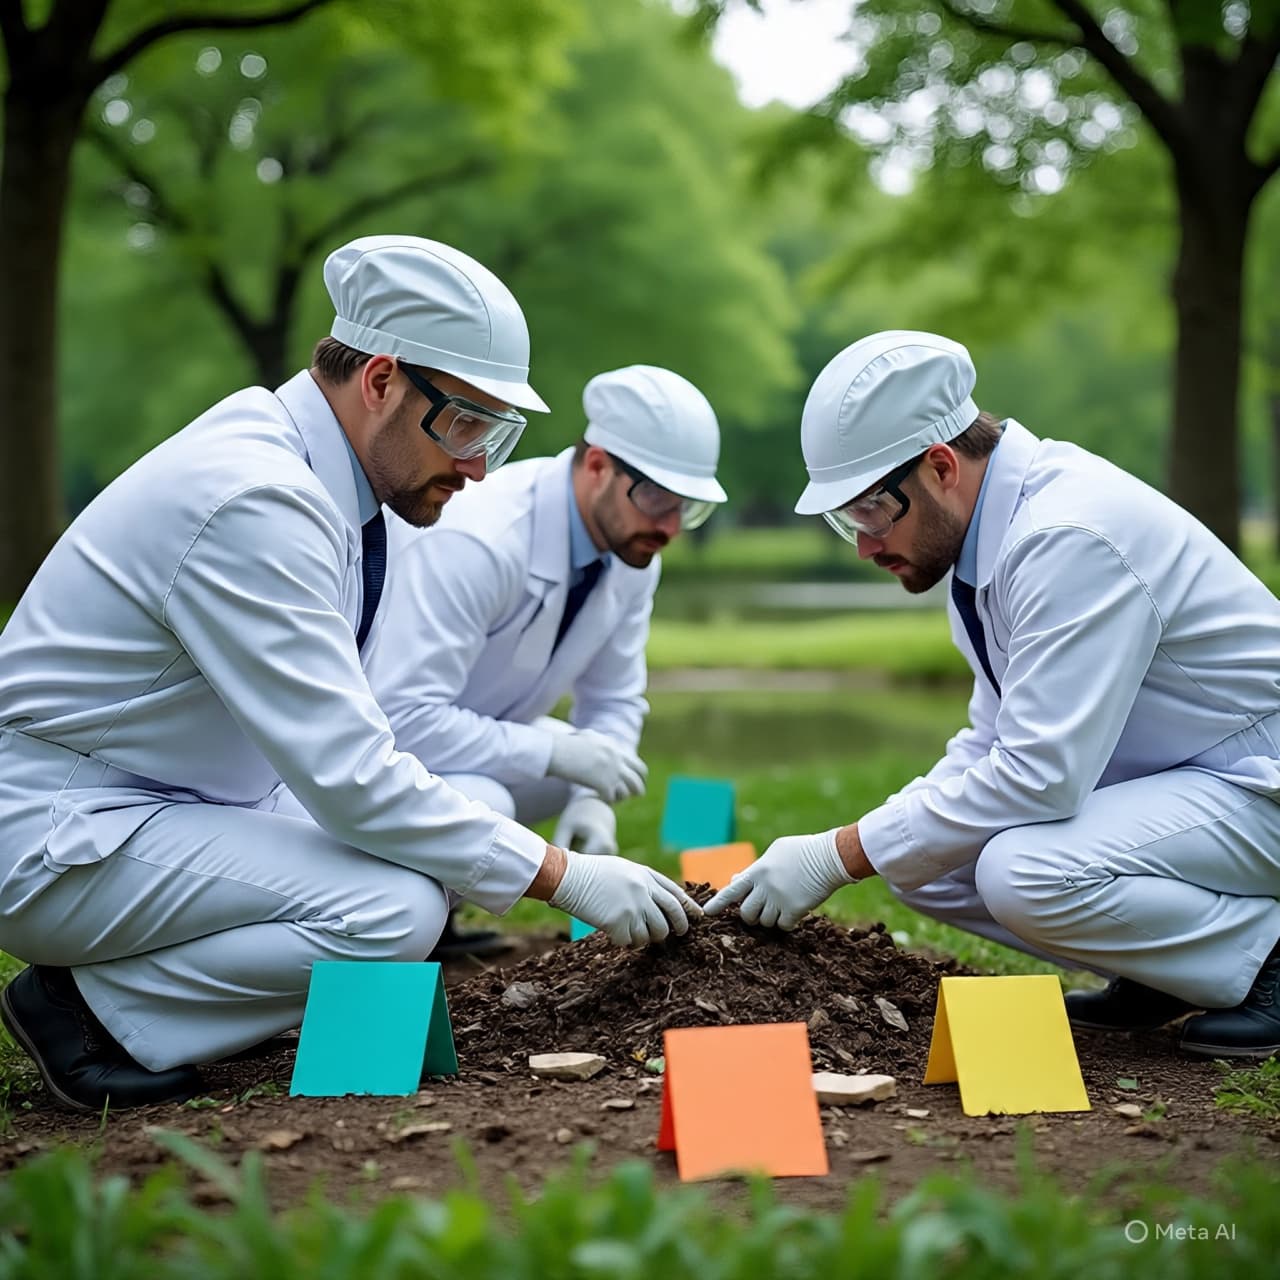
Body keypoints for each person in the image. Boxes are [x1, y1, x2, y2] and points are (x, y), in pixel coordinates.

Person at [0, 235, 700, 1113]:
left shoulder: (326, 479)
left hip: (176, 800)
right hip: (59, 832)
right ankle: (87, 1008)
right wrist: (561, 876)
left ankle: (157, 989)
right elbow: (351, 776)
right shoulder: (256, 497)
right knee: (392, 915)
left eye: (497, 433)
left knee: (467, 816)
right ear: (381, 382)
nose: (481, 464)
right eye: (468, 424)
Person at [706, 330, 1280, 1059]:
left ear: (941, 465)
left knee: (1024, 873)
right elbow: (991, 743)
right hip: (1192, 787)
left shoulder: (1067, 535)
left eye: (872, 512)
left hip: (1257, 786)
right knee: (926, 864)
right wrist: (871, 840)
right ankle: (1171, 970)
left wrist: (838, 854)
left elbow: (1039, 776)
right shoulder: (983, 541)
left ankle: (1265, 959)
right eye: (846, 519)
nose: (863, 544)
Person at [360, 365, 727, 956]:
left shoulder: (633, 551)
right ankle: (412, 928)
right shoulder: (483, 538)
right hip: (373, 768)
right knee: (492, 799)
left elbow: (613, 697)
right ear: (599, 465)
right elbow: (401, 721)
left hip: (467, 743)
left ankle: (442, 923)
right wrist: (554, 751)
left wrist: (590, 797)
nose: (669, 527)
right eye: (658, 498)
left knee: (576, 770)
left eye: (687, 508)